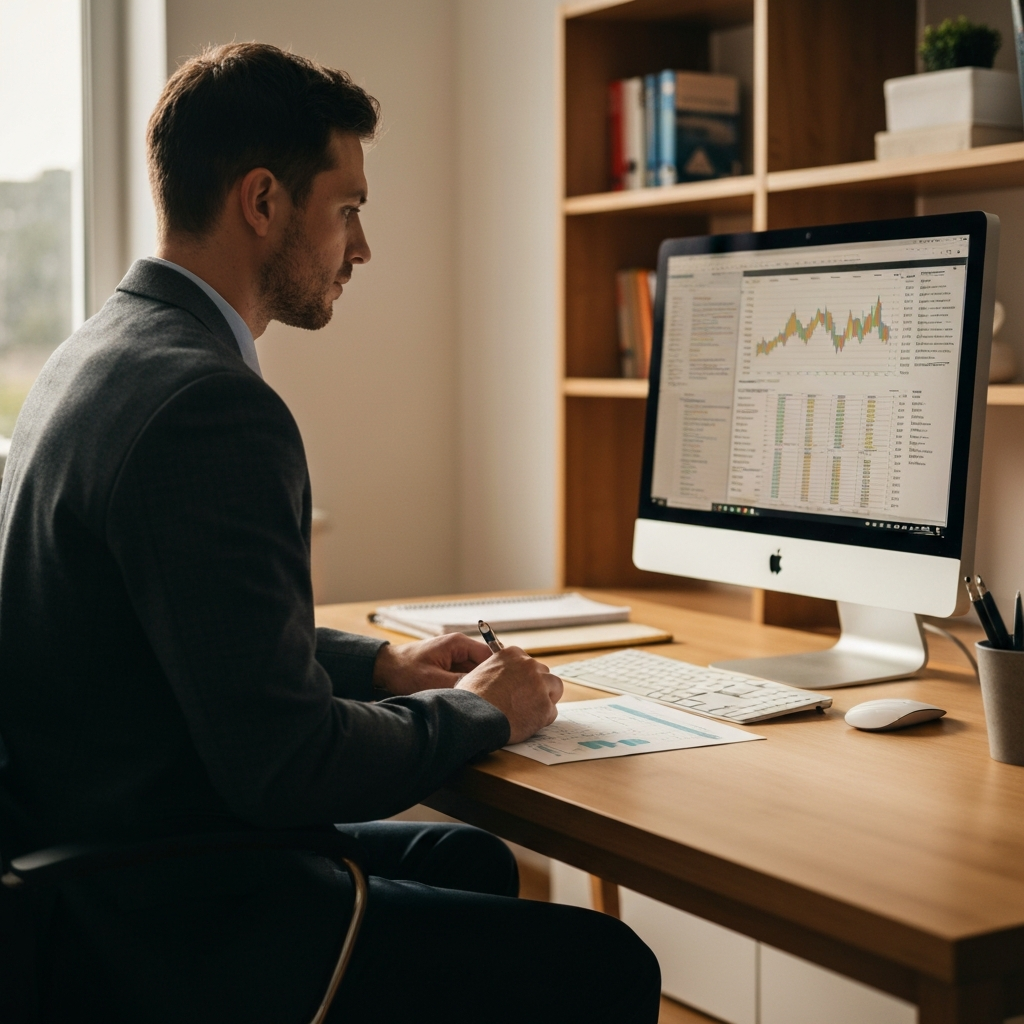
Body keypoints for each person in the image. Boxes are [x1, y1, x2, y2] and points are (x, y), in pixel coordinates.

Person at [0, 42, 660, 1023]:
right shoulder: (205, 406)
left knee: (470, 857)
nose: (362, 247)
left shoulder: (98, 351)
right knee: (607, 967)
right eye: (347, 209)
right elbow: (286, 765)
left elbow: (193, 629)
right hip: (169, 923)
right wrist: (485, 707)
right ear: (263, 201)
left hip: (96, 864)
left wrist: (382, 667)